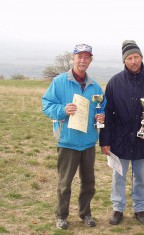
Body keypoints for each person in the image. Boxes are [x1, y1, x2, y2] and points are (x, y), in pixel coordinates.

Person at [100, 40, 144, 225]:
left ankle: (139, 208)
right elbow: (107, 112)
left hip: (143, 139)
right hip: (119, 139)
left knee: (141, 178)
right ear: (124, 61)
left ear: (141, 58)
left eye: (136, 57)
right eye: (129, 58)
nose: (133, 61)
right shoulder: (114, 82)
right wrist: (105, 140)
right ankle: (118, 209)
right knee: (118, 177)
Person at [42, 43, 106, 230]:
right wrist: (62, 110)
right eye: (79, 56)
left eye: (87, 57)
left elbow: (102, 108)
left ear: (90, 60)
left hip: (87, 142)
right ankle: (61, 216)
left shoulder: (95, 87)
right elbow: (46, 105)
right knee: (65, 184)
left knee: (89, 183)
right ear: (73, 58)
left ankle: (85, 214)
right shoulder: (60, 82)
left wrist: (100, 116)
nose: (83, 60)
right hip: (68, 141)